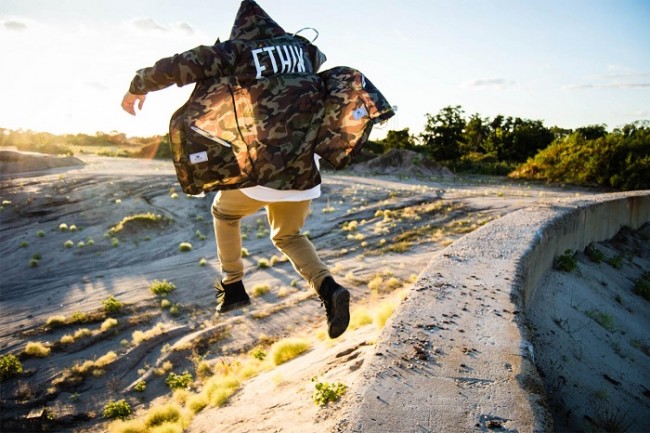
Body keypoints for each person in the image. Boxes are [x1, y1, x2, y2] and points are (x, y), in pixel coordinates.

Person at [121, 0, 350, 339]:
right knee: (288, 235)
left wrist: (137, 85)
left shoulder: (238, 52)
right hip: (305, 170)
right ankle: (330, 288)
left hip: (262, 167)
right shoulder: (303, 51)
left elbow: (181, 64)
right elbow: (319, 57)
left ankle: (233, 287)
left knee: (224, 214)